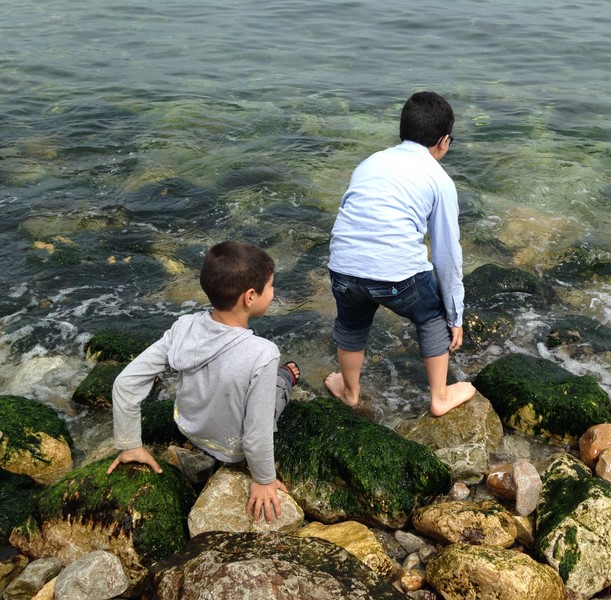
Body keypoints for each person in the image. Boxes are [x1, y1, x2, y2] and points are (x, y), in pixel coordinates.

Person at [106, 241, 300, 523]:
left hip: (188, 427)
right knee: (276, 390)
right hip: (232, 450)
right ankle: (287, 377)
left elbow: (125, 383)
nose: (273, 293)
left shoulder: (183, 327)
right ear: (249, 297)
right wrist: (264, 480)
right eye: (271, 287)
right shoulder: (263, 353)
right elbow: (257, 432)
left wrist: (130, 445)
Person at [325, 91, 476, 416]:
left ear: (402, 132)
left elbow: (352, 214)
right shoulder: (440, 180)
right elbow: (447, 255)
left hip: (342, 267)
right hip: (398, 277)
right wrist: (455, 315)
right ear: (444, 141)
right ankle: (439, 397)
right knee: (431, 316)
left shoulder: (370, 162)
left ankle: (350, 392)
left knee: (351, 325)